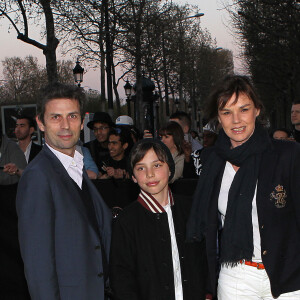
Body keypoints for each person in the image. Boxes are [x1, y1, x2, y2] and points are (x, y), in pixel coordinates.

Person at [187, 75, 300, 299]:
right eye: (227, 112)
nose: (236, 120)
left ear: (257, 110)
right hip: (236, 274)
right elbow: (206, 228)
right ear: (218, 118)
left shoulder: (288, 155)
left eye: (244, 109)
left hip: (286, 276)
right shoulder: (212, 162)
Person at [16, 83, 112, 300]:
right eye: (56, 117)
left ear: (81, 121)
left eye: (72, 116)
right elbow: (38, 263)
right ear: (40, 123)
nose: (65, 126)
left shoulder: (77, 166)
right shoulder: (38, 176)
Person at [110, 138, 209, 300]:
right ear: (133, 176)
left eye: (157, 165)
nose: (150, 174)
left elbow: (204, 258)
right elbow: (121, 276)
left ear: (170, 169)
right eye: (141, 168)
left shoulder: (191, 209)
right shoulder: (127, 220)